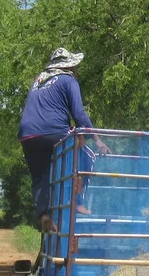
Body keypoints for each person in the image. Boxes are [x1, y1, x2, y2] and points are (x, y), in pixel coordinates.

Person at [18, 48, 111, 228]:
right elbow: (79, 113)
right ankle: (78, 202)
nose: (77, 70)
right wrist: (97, 139)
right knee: (87, 155)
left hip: (28, 134)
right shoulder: (68, 80)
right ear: (70, 66)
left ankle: (44, 214)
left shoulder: (39, 80)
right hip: (53, 130)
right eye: (76, 66)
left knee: (40, 175)